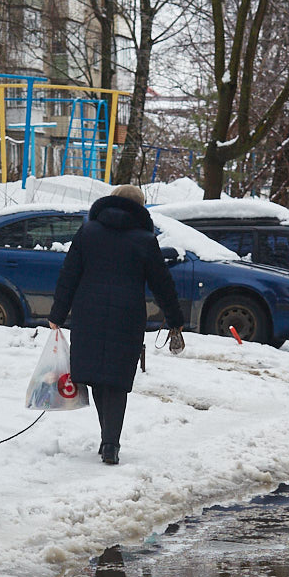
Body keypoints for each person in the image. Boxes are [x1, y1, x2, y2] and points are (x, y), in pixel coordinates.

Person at [48, 185, 184, 465]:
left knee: (98, 376)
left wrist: (57, 314)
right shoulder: (145, 240)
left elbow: (69, 274)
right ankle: (111, 442)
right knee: (117, 380)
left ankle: (106, 438)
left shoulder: (88, 232)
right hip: (128, 315)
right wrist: (174, 319)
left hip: (89, 313)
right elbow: (163, 283)